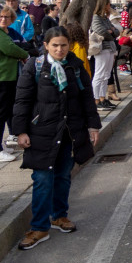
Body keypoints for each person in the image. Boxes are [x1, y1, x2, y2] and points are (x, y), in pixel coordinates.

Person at [12, 26, 100, 250]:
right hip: (41, 132)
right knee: (42, 180)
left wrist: (92, 126)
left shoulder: (76, 66)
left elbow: (87, 98)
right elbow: (22, 100)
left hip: (71, 131)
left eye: (63, 45)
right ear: (46, 46)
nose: (60, 49)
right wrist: (20, 131)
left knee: (63, 176)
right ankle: (39, 227)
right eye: (55, 45)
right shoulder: (35, 66)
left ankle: (59, 216)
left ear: (69, 45)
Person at [0, 6, 29, 162]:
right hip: (3, 78)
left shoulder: (9, 33)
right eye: (1, 16)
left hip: (10, 76)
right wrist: (24, 54)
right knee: (1, 113)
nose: (3, 19)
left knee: (7, 111)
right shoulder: (1, 35)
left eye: (6, 17)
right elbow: (10, 49)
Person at [90, 0, 120, 111]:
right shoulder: (96, 18)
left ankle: (102, 98)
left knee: (106, 75)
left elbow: (116, 31)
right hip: (101, 48)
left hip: (109, 48)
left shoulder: (105, 18)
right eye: (108, 4)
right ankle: (96, 99)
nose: (109, 6)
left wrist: (111, 31)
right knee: (99, 74)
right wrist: (111, 32)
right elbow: (101, 31)